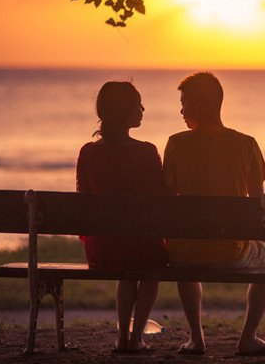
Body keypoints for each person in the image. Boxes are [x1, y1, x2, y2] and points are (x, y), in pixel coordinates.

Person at [163, 72, 265, 356]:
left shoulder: (176, 144)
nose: (181, 110)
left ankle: (196, 338)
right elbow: (258, 205)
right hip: (231, 253)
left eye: (184, 103)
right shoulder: (247, 144)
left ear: (199, 106)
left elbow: (165, 201)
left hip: (182, 254)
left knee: (188, 253)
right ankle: (248, 337)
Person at [76, 81, 167, 353]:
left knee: (127, 265)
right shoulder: (146, 152)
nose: (142, 109)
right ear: (124, 111)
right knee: (150, 271)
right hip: (142, 248)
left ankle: (121, 338)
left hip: (103, 250)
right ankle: (135, 337)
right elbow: (160, 199)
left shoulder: (89, 153)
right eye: (137, 105)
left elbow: (84, 200)